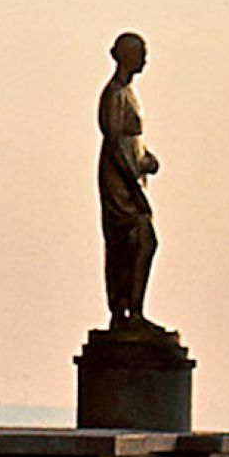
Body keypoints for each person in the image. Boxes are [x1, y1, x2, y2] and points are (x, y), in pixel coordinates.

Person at [99, 31, 161, 327]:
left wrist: (146, 159)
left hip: (133, 175)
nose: (145, 60)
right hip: (119, 181)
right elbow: (114, 142)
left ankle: (133, 308)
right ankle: (125, 309)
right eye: (141, 53)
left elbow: (133, 140)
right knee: (136, 238)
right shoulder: (114, 94)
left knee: (139, 241)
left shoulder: (130, 93)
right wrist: (132, 182)